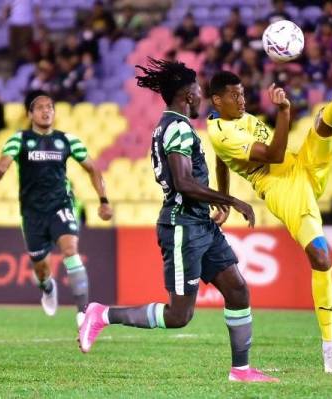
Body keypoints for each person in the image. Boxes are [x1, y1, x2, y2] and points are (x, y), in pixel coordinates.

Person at [76, 59, 277, 383]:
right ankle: (102, 314)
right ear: (188, 95)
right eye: (198, 91)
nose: (201, 97)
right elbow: (184, 182)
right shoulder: (178, 128)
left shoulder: (171, 126)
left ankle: (241, 370)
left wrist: (217, 205)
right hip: (183, 226)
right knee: (178, 316)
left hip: (201, 225)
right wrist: (232, 200)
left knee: (238, 290)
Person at [207, 36, 332, 374]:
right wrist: (283, 111)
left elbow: (222, 162)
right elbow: (273, 155)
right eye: (234, 96)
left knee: (324, 123)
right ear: (216, 100)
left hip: (300, 165)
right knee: (321, 258)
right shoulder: (221, 133)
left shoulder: (232, 126)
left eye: (242, 94)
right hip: (280, 185)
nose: (242, 100)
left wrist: (222, 200)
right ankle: (330, 350)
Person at [0, 90, 113, 326]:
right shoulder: (20, 139)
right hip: (32, 212)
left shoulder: (67, 140)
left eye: (50, 107)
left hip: (61, 204)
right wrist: (0, 169)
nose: (46, 111)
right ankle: (47, 288)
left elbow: (93, 169)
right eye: (40, 107)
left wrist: (103, 200)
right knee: (41, 269)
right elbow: (5, 159)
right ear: (30, 113)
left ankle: (82, 313)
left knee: (70, 250)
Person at [3, 0, 41, 67]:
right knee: (14, 47)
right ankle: (15, 65)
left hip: (27, 23)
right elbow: (7, 6)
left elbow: (36, 8)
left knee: (25, 47)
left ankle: (26, 64)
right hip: (14, 23)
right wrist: (4, 17)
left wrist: (38, 22)